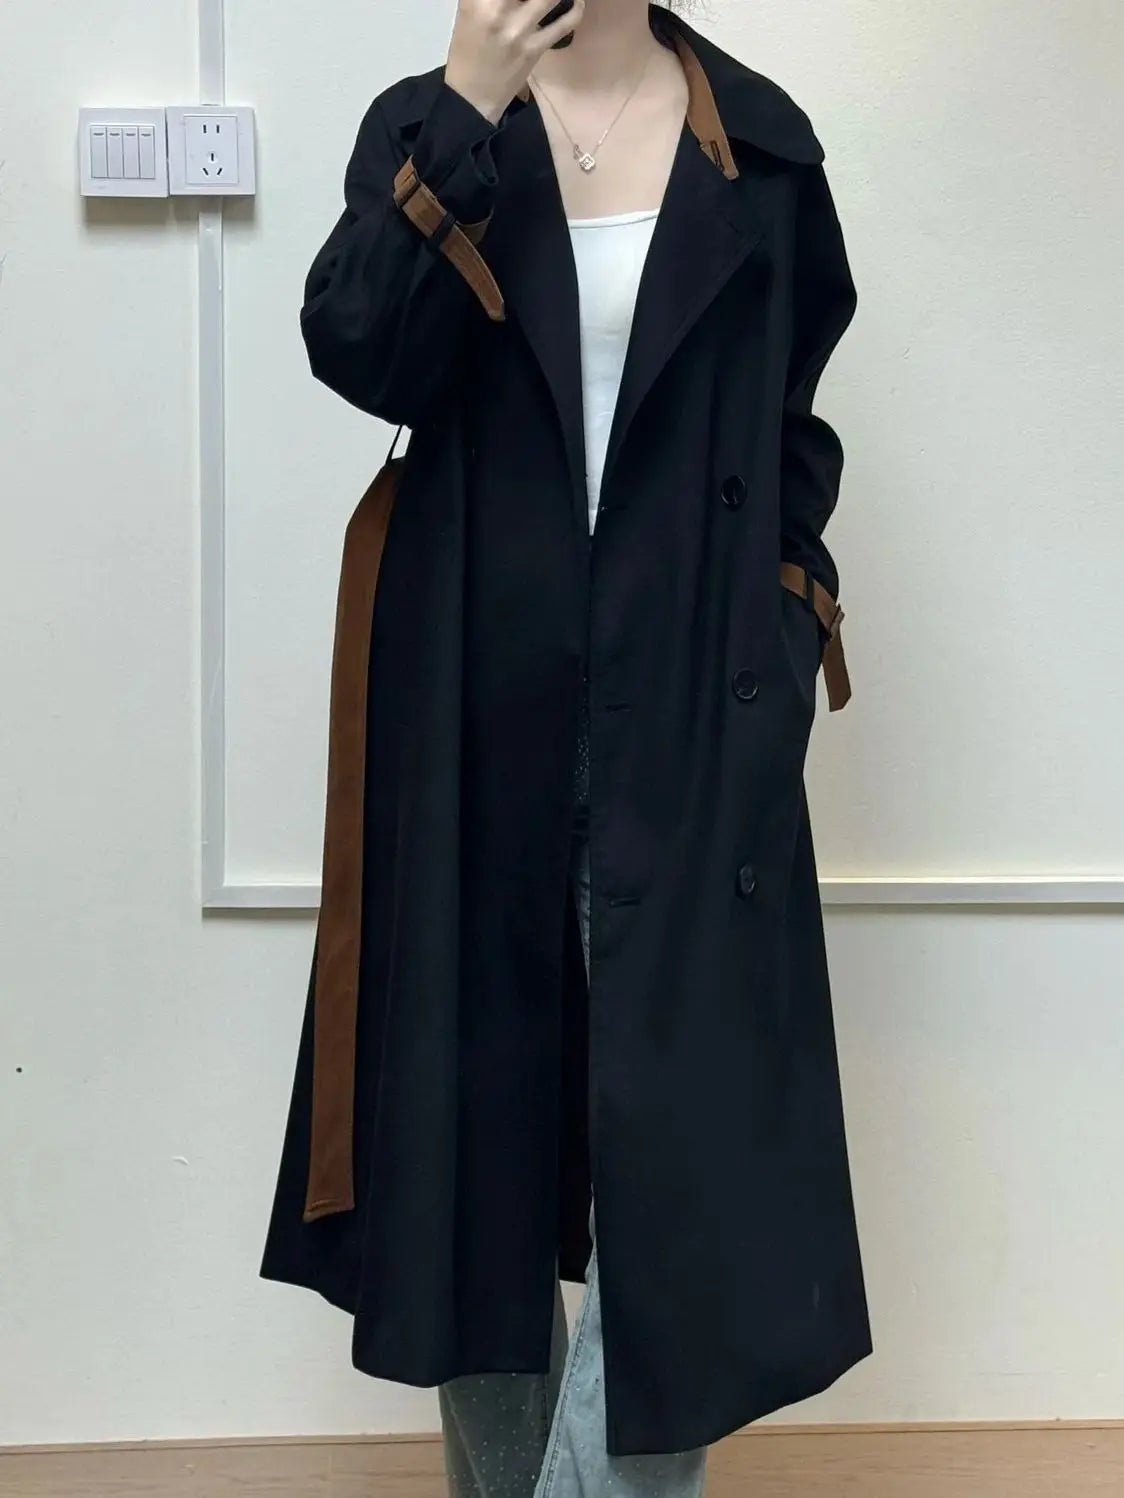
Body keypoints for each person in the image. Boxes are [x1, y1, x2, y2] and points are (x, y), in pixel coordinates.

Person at [260, 2, 873, 1495]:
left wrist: (783, 624)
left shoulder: (762, 147)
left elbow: (792, 425)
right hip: (479, 709)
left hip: (693, 706)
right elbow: (359, 348)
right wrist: (472, 100)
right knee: (474, 1170)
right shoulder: (429, 124)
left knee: (681, 1163)